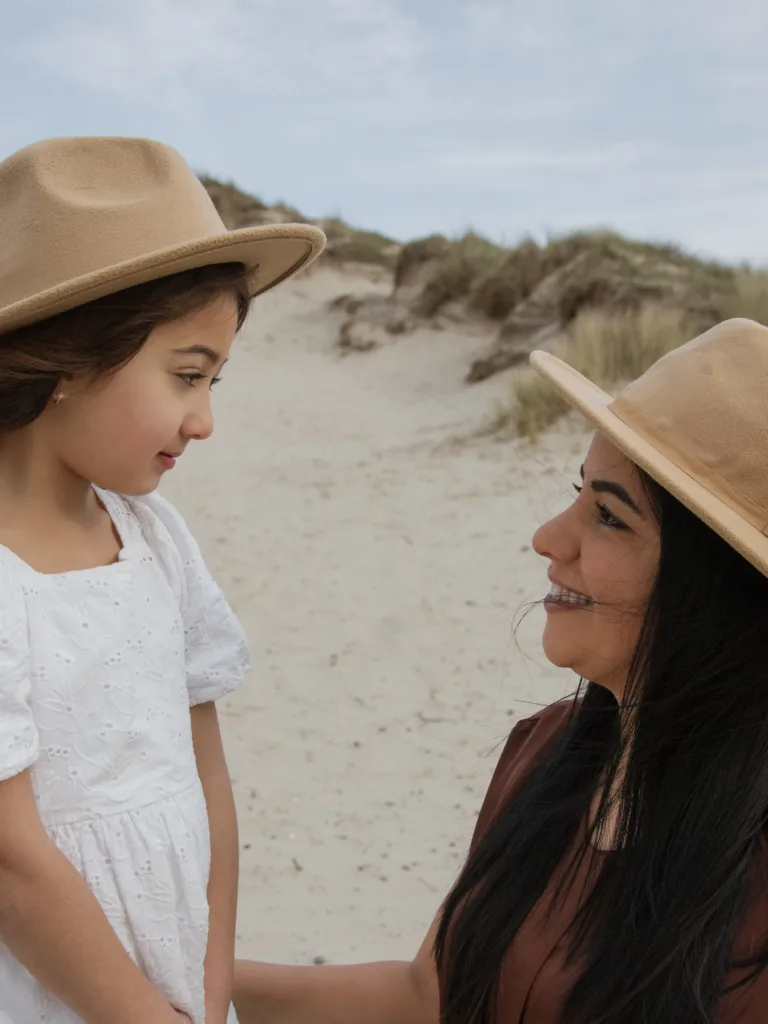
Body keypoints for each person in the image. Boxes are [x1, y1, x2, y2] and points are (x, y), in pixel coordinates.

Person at [233, 317, 768, 1023]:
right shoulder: (548, 749)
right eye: (579, 493)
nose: (549, 538)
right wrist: (158, 977)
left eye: (609, 517)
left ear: (715, 588)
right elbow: (429, 995)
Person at [0, 136, 324, 1024]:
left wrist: (208, 985)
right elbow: (10, 858)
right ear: (71, 358)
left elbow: (205, 778)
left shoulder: (156, 540)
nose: (206, 419)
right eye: (187, 375)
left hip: (178, 976)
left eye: (214, 379)